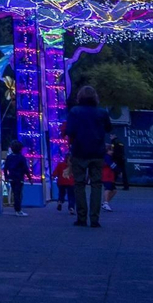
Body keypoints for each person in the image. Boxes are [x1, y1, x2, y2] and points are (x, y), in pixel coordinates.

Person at [62, 84, 112, 228]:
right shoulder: (102, 112)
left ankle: (81, 218)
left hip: (79, 151)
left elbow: (70, 131)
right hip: (97, 152)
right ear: (95, 98)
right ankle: (95, 219)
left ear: (80, 97)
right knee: (96, 184)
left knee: (79, 184)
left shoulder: (75, 111)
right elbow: (109, 128)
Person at [4, 140, 29, 216]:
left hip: (11, 177)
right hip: (19, 178)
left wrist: (6, 177)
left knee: (15, 193)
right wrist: (29, 177)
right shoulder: (21, 158)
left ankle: (17, 209)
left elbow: (5, 168)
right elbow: (25, 168)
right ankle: (18, 210)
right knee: (18, 194)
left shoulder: (9, 157)